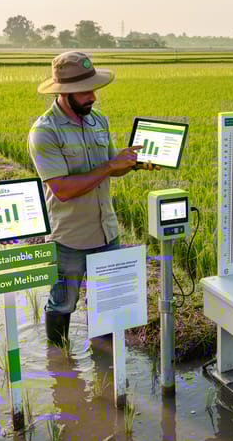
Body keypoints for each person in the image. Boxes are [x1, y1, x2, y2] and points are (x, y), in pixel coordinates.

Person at [29, 51, 154, 345]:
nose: (93, 97)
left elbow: (109, 170)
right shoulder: (44, 132)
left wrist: (130, 164)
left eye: (94, 88)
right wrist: (110, 165)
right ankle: (60, 364)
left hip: (106, 232)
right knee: (63, 304)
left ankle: (105, 373)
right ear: (65, 92)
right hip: (68, 239)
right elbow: (62, 188)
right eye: (85, 91)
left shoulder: (99, 121)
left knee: (109, 307)